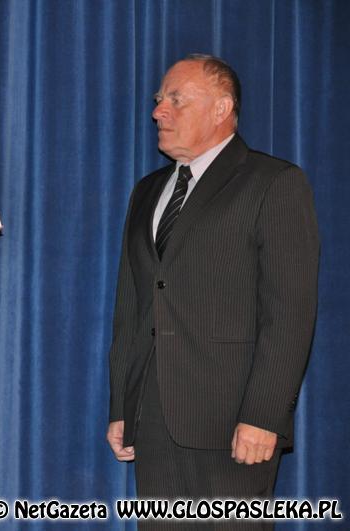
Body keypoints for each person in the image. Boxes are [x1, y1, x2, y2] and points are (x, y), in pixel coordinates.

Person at [105, 55, 319, 515]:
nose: (158, 111)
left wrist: (264, 415)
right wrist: (122, 404)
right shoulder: (147, 191)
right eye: (159, 99)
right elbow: (131, 307)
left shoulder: (274, 183)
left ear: (222, 108)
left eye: (175, 99)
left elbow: (289, 313)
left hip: (234, 423)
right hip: (153, 419)